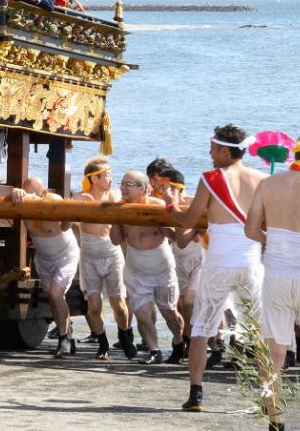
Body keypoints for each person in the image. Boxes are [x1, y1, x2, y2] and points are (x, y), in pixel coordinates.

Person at [164, 123, 266, 412]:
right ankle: (267, 393)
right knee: (258, 331)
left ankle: (196, 393)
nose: (209, 152)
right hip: (250, 263)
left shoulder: (210, 178)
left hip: (219, 263)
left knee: (201, 329)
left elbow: (188, 221)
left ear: (224, 150)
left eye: (212, 148)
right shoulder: (261, 179)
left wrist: (171, 206)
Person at [245, 130, 300, 425]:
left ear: (295, 154)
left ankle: (274, 417)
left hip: (277, 274)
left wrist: (270, 241)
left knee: (274, 352)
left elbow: (250, 230)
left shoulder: (269, 183)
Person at [111, 170, 186, 365]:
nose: (123, 188)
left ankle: (179, 341)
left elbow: (172, 235)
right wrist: (116, 218)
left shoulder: (157, 205)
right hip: (135, 266)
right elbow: (115, 239)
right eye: (122, 183)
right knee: (142, 313)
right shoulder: (120, 208)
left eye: (129, 184)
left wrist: (163, 220)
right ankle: (154, 350)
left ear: (144, 189)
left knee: (169, 311)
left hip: (160, 265)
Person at [10, 177, 79, 357]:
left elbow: (66, 226)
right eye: (27, 193)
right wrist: (15, 194)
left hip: (65, 255)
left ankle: (63, 338)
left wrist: (67, 214)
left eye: (35, 193)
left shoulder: (53, 201)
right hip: (44, 258)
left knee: (56, 293)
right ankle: (68, 336)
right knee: (53, 298)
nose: (30, 197)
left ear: (43, 193)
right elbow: (7, 202)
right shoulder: (21, 202)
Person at [75, 157, 134, 360]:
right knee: (94, 305)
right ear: (94, 179)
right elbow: (66, 211)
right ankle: (103, 342)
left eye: (110, 174)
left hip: (111, 253)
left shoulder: (115, 195)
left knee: (119, 303)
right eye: (106, 175)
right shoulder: (81, 198)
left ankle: (125, 334)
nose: (110, 178)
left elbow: (129, 201)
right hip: (89, 256)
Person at [156, 168, 202, 364]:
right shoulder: (160, 205)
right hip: (178, 258)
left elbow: (183, 240)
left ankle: (195, 341)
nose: (160, 190)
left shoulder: (191, 203)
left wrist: (171, 205)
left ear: (176, 188)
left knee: (191, 301)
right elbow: (177, 238)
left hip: (199, 258)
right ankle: (185, 340)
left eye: (164, 187)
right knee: (181, 304)